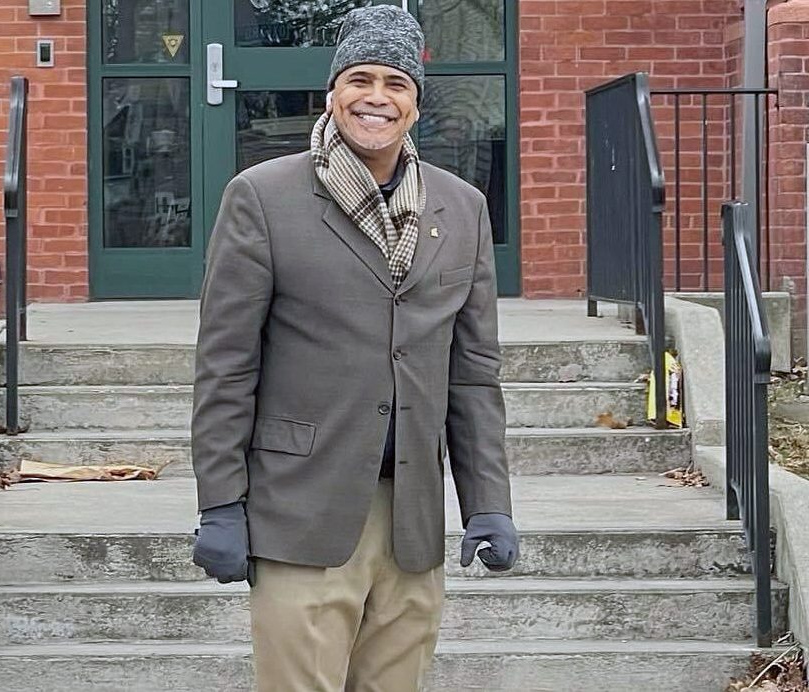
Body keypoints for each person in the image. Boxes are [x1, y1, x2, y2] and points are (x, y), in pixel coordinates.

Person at [190, 6, 517, 691]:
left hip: (413, 521)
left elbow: (474, 375)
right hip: (300, 514)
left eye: (396, 83)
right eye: (360, 79)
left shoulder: (462, 209)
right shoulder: (263, 198)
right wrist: (220, 502)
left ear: (416, 105)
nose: (377, 97)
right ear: (333, 92)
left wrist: (487, 501)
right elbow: (226, 365)